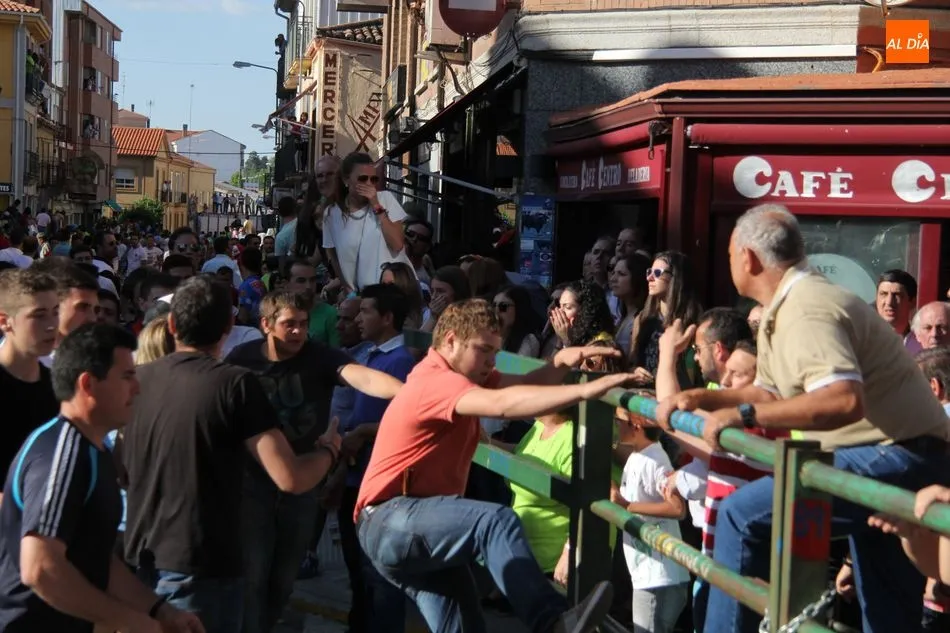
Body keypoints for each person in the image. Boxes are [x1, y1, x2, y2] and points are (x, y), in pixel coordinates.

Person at [656, 203, 950, 633]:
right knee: (887, 608)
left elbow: (844, 401)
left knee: (738, 516)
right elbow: (770, 392)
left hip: (897, 454)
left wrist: (742, 414)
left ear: (748, 258)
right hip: (898, 454)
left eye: (730, 254)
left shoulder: (806, 307)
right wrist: (701, 398)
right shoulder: (790, 304)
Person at [355, 298, 639, 633]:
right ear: (450, 341)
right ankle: (552, 621)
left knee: (464, 626)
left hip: (412, 525)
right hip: (392, 519)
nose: (492, 361)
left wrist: (561, 361)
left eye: (496, 352)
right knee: (495, 522)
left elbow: (524, 385)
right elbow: (503, 405)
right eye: (484, 350)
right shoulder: (437, 380)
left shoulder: (465, 375)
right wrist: (588, 390)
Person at [122, 276, 343, 633]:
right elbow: (290, 477)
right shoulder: (234, 383)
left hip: (140, 560)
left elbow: (118, 468)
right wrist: (330, 450)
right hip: (201, 565)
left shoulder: (135, 379)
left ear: (172, 324)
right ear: (228, 327)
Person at [0, 323, 204, 633]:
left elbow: (95, 558)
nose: (137, 387)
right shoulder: (63, 456)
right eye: (127, 376)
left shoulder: (93, 451)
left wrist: (159, 610)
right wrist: (129, 621)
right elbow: (40, 568)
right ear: (88, 384)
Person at [226, 290, 404, 633]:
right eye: (289, 324)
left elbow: (363, 377)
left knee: (283, 579)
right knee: (252, 576)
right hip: (251, 485)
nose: (298, 332)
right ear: (266, 325)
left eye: (303, 324)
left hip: (304, 482)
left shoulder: (320, 356)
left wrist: (411, 394)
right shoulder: (241, 359)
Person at [0, 269, 59, 499]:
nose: (52, 325)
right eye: (39, 315)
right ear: (5, 321)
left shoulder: (58, 386)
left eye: (56, 312)